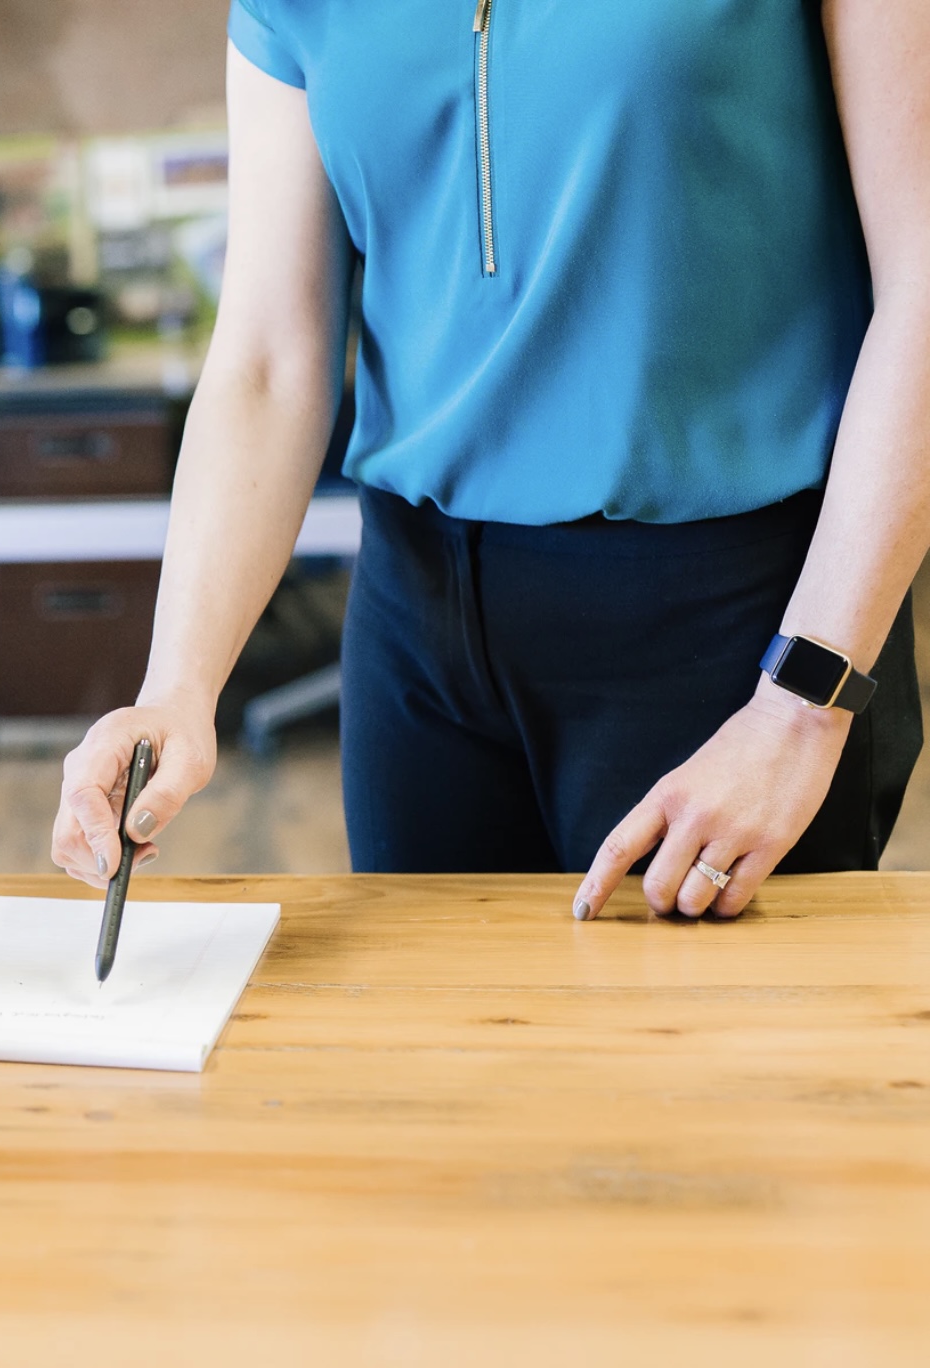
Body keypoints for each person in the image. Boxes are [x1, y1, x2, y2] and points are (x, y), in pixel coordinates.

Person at [53, 1, 930, 922]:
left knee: (703, 1063)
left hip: (731, 630)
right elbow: (269, 358)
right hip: (418, 636)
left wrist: (803, 705)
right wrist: (176, 688)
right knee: (436, 1059)